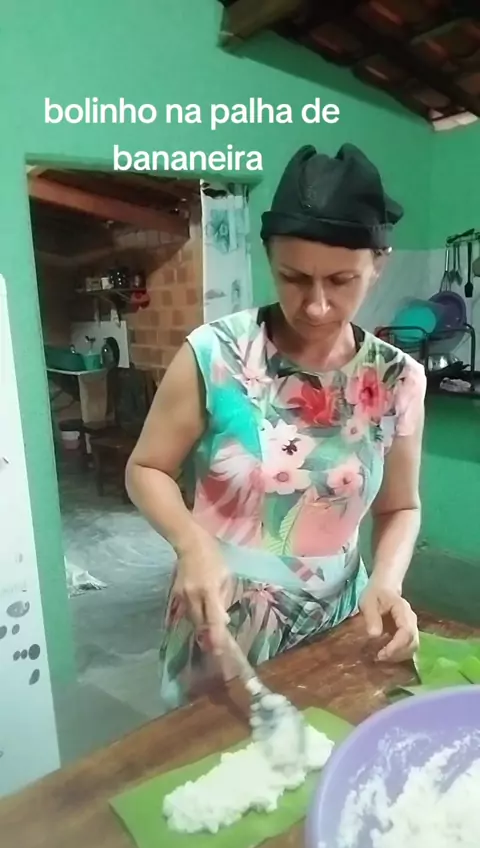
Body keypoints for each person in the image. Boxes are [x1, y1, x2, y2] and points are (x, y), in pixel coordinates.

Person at [126, 143, 426, 711]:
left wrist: (386, 582)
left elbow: (400, 507)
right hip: (224, 620)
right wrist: (191, 542)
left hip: (340, 616)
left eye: (342, 280)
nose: (316, 305)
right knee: (212, 757)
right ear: (269, 258)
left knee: (329, 747)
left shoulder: (396, 378)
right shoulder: (217, 354)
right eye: (294, 278)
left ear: (378, 265)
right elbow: (146, 469)